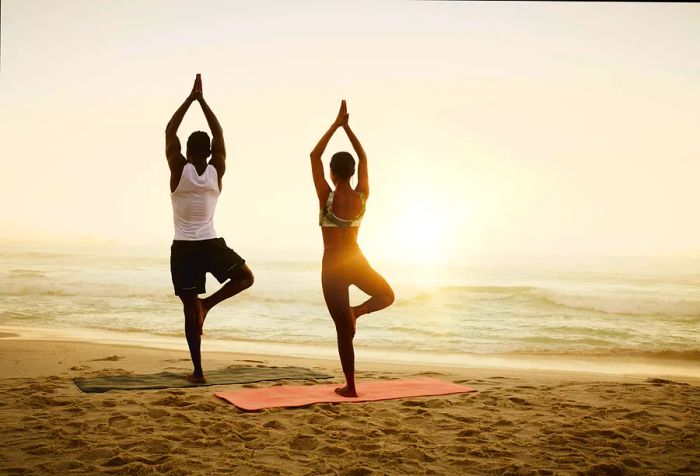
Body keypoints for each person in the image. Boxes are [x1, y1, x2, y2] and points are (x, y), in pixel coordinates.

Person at [165, 74, 254, 383]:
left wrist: (190, 99)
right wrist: (203, 102)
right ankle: (209, 304)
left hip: (185, 247)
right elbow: (219, 133)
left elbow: (169, 130)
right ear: (210, 151)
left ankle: (199, 372)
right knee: (246, 278)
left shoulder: (179, 168)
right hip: (210, 243)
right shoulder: (217, 170)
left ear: (188, 151)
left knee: (190, 311)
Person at [310, 100, 395, 397]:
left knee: (342, 330)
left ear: (333, 173)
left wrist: (336, 125)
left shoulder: (326, 196)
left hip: (333, 265)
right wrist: (349, 128)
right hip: (356, 260)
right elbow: (363, 156)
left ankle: (352, 386)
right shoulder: (362, 195)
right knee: (387, 295)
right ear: (353, 172)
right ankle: (357, 312)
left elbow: (314, 155)